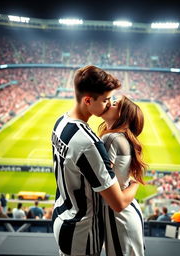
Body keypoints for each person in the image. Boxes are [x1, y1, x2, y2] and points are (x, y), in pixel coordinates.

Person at [52, 65, 139, 256]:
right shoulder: (89, 143)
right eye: (106, 100)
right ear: (88, 100)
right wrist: (135, 183)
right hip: (83, 230)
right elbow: (118, 203)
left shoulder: (61, 121)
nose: (109, 104)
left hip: (61, 216)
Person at [98, 95, 147, 256]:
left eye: (113, 104)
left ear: (122, 115)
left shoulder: (110, 138)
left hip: (119, 216)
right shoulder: (121, 138)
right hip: (127, 212)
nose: (107, 104)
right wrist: (135, 184)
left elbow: (102, 185)